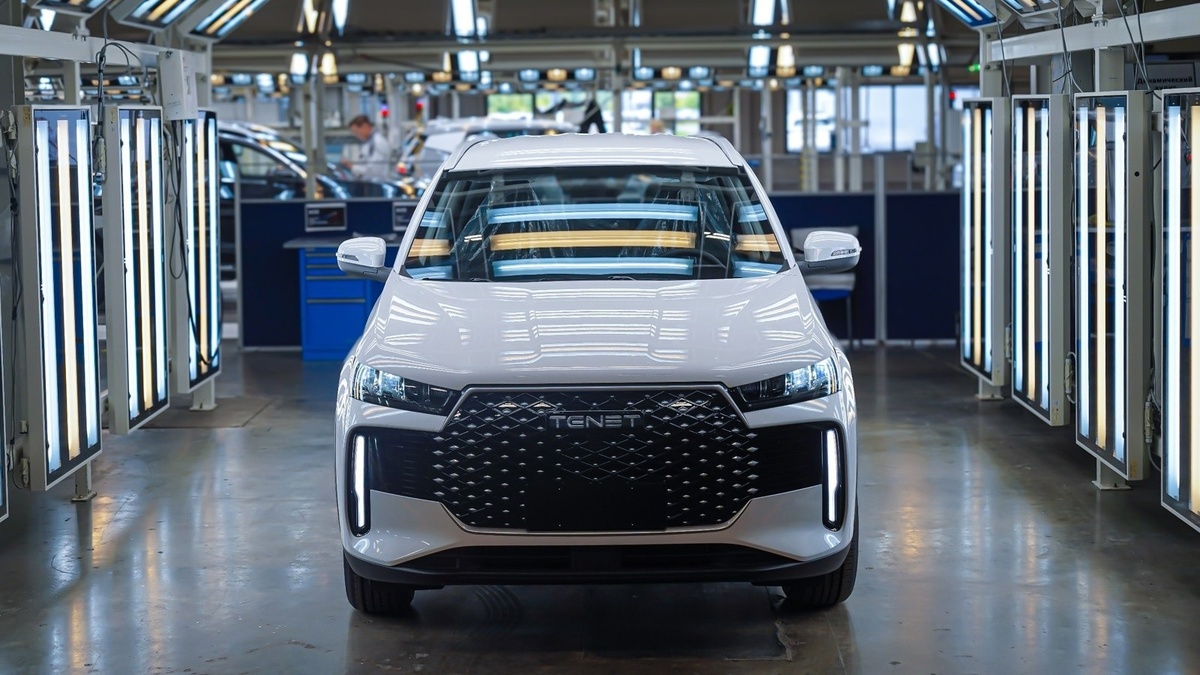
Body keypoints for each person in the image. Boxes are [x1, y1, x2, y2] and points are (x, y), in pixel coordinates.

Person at [342, 115, 394, 181]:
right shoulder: (368, 143)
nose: (356, 135)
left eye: (357, 131)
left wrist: (352, 166)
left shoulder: (378, 142)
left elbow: (374, 170)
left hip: (376, 183)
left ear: (365, 126)